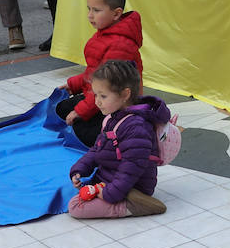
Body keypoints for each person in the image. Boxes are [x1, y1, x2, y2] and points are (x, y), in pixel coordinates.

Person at [67, 60, 169, 219]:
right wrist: (80, 168)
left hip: (133, 187)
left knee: (76, 207)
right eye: (95, 95)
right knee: (77, 196)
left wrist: (110, 193)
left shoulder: (136, 127)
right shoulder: (112, 118)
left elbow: (131, 168)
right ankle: (118, 197)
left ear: (125, 94)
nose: (97, 101)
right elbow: (98, 148)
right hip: (111, 180)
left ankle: (133, 206)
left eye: (103, 96)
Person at [58, 0, 144, 147]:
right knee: (62, 108)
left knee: (81, 130)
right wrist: (73, 84)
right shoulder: (105, 33)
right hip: (100, 95)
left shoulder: (120, 45)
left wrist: (80, 111)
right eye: (89, 9)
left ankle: (120, 133)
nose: (90, 15)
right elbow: (94, 73)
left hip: (118, 105)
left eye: (96, 10)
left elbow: (107, 87)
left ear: (117, 14)